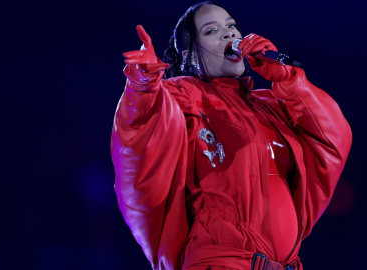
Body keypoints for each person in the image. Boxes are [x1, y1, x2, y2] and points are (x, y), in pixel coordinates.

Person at [111, 2, 352, 270]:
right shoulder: (182, 95)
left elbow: (333, 137)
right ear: (190, 55)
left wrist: (288, 80)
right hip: (220, 263)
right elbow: (144, 134)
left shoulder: (271, 104)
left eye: (231, 26)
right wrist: (143, 86)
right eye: (212, 30)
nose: (229, 34)